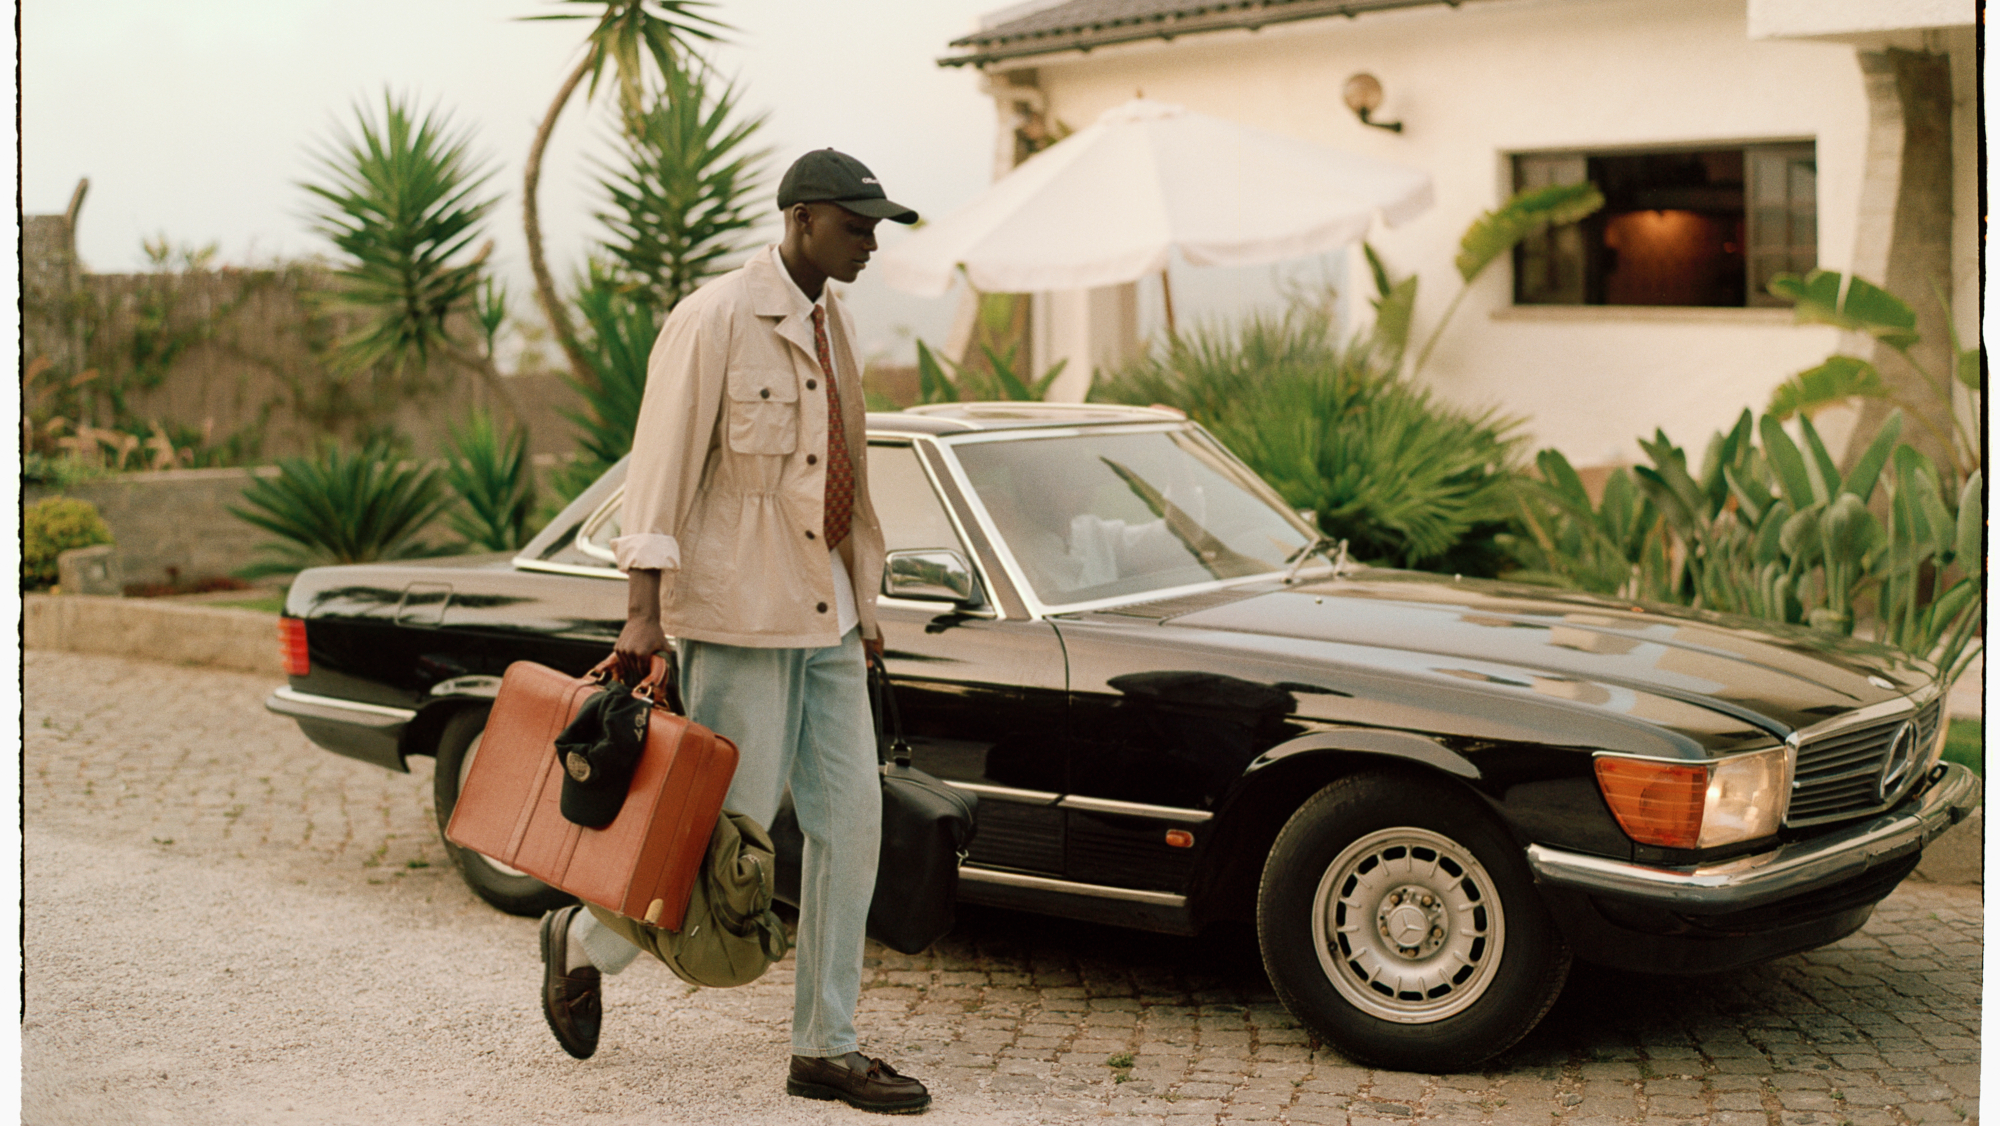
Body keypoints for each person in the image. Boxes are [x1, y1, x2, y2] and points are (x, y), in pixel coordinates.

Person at [535, 148, 930, 1116]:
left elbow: (846, 481)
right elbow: (657, 469)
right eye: (855, 224)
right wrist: (641, 610)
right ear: (798, 218)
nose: (871, 241)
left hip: (828, 610)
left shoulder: (833, 324)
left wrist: (864, 610)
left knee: (853, 827)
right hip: (738, 611)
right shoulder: (713, 317)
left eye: (877, 225)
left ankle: (824, 1047)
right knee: (721, 840)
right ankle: (579, 943)